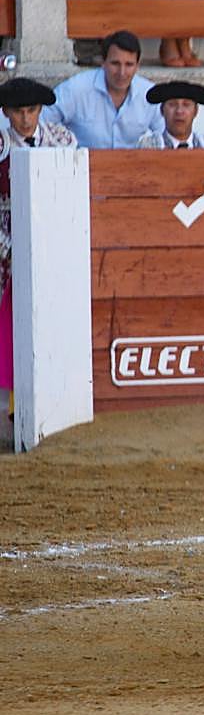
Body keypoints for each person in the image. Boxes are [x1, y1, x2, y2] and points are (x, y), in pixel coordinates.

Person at [0, 78, 78, 444]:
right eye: (18, 111)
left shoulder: (61, 139)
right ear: (5, 113)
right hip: (6, 251)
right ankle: (15, 411)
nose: (26, 119)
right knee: (13, 332)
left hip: (54, 249)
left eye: (31, 111)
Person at [43, 30, 164, 149]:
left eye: (129, 65)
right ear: (103, 62)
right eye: (115, 63)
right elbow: (42, 121)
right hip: (85, 166)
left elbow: (166, 134)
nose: (122, 73)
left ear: (137, 66)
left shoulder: (150, 94)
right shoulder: (76, 89)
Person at [136, 80, 204, 148]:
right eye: (172, 104)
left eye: (186, 105)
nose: (179, 111)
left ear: (195, 111)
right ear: (162, 110)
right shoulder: (147, 148)